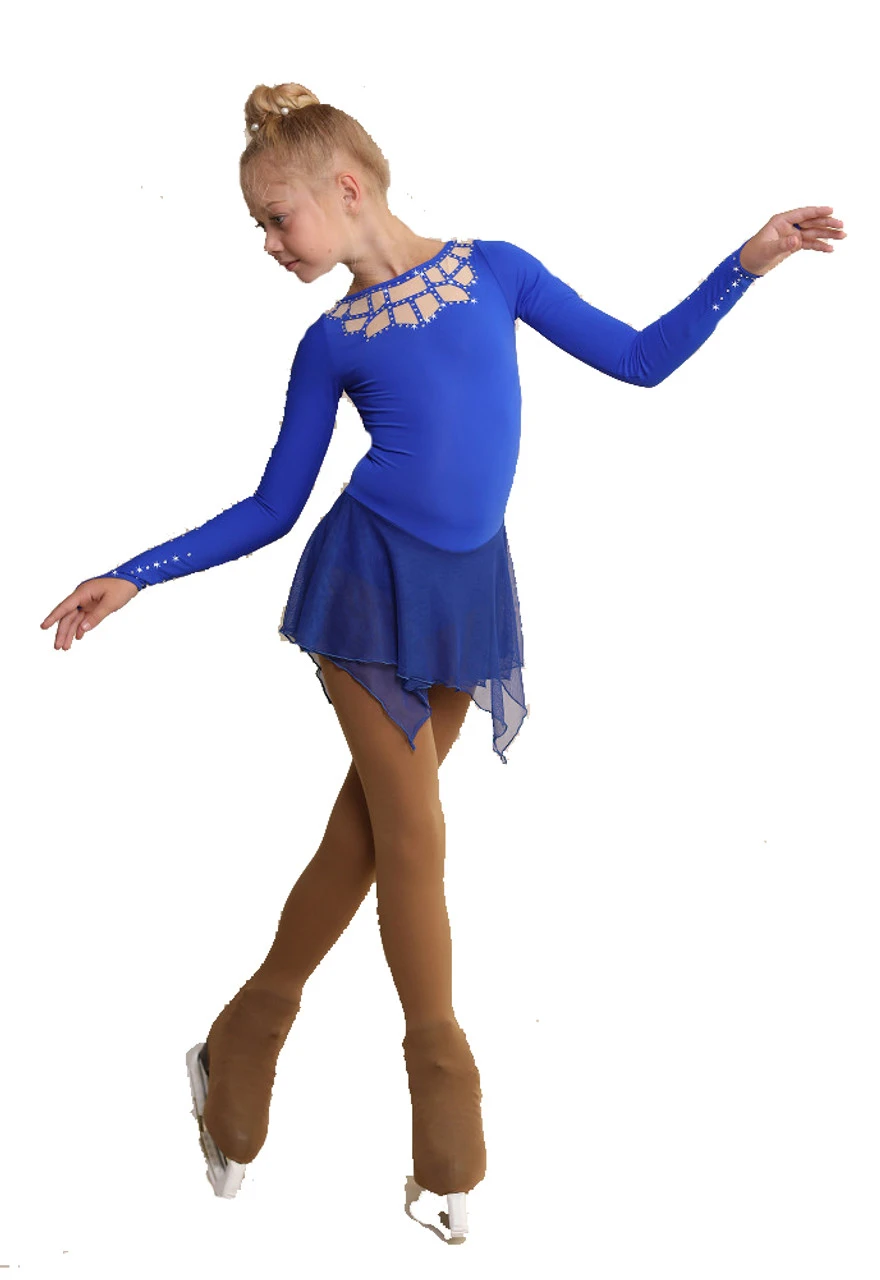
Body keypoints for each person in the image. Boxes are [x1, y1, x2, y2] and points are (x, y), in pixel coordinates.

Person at [39, 79, 845, 1237]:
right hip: (365, 588)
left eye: (276, 219)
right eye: (260, 227)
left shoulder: (496, 269)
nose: (269, 244)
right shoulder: (330, 342)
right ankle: (446, 1117)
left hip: (466, 596)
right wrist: (138, 571)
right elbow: (273, 506)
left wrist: (748, 260)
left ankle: (240, 1037)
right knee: (414, 837)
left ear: (345, 189)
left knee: (368, 836)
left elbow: (637, 359)